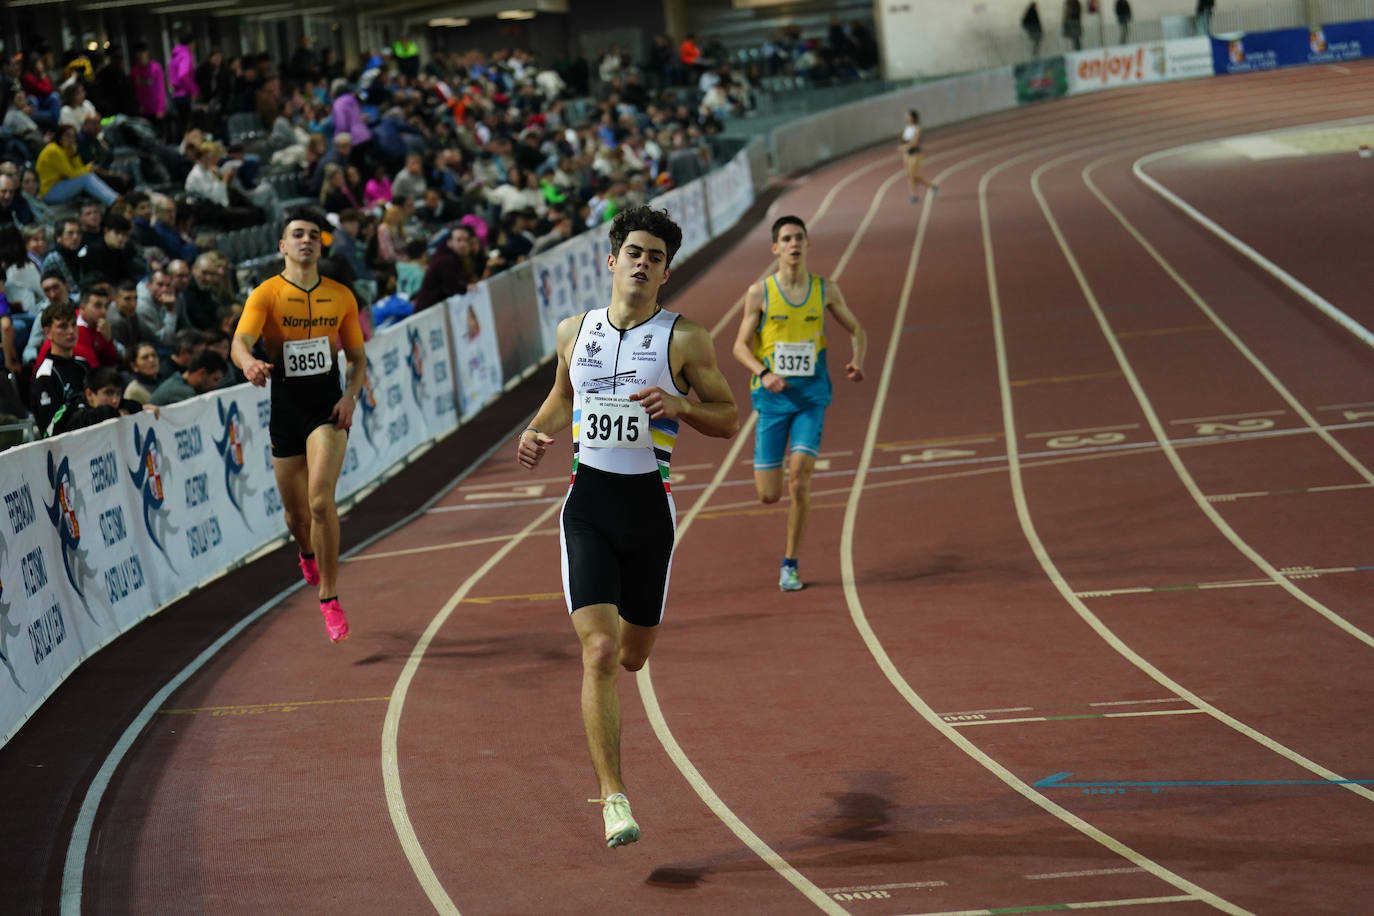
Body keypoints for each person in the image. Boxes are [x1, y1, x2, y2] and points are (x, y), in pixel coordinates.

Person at [516, 206, 739, 849]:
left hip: (649, 512)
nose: (643, 263)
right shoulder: (573, 331)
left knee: (634, 655)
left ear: (666, 272)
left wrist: (681, 406)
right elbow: (565, 396)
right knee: (600, 651)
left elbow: (727, 417)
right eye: (634, 252)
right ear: (611, 261)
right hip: (588, 507)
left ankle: (616, 765)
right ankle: (614, 797)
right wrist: (538, 430)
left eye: (656, 257)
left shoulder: (685, 339)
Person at [232, 207, 366, 643]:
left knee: (322, 502)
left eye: (313, 234)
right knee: (296, 515)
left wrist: (350, 396)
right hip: (285, 409)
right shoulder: (266, 294)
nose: (306, 240)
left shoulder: (342, 295)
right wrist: (249, 363)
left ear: (319, 244)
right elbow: (239, 341)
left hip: (326, 408)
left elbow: (358, 357)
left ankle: (329, 598)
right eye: (298, 234)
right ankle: (306, 550)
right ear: (282, 246)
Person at [731, 215, 866, 592]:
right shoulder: (760, 293)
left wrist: (858, 359)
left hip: (811, 397)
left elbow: (858, 330)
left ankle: (790, 563)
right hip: (772, 399)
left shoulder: (826, 289)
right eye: (786, 239)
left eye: (799, 238)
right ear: (775, 248)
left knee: (799, 480)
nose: (793, 244)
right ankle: (777, 476)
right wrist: (764, 371)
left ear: (807, 245)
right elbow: (739, 346)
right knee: (769, 494)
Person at [36, 125, 120, 206]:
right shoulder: (54, 150)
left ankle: (113, 197)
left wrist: (74, 154)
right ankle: (113, 200)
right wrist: (88, 168)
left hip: (58, 185)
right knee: (86, 178)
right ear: (59, 136)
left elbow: (79, 169)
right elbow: (71, 174)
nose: (70, 139)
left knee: (87, 175)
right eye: (67, 136)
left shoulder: (66, 149)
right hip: (48, 192)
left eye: (73, 137)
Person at [149, 347, 227, 405]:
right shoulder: (184, 393)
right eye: (215, 379)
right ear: (202, 372)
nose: (215, 385)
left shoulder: (177, 379)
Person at [898, 110, 937, 202]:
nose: (906, 118)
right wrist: (901, 140)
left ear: (913, 117)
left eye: (908, 116)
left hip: (915, 154)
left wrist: (904, 147)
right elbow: (905, 140)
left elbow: (915, 143)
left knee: (913, 175)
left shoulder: (917, 128)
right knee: (910, 176)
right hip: (907, 154)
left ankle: (932, 186)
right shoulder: (907, 128)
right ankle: (914, 195)